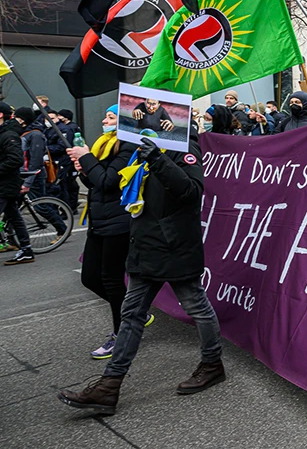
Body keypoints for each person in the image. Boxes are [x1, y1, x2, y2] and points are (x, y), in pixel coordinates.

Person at [58, 134, 224, 414]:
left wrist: (157, 159)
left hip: (173, 245)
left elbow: (191, 191)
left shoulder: (184, 147)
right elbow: (122, 189)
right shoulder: (142, 149)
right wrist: (88, 173)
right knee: (131, 313)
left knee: (196, 305)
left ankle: (212, 364)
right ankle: (109, 386)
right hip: (145, 243)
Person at [68, 105, 151, 359]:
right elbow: (95, 183)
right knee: (90, 278)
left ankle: (121, 334)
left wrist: (86, 158)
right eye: (105, 116)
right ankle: (136, 313)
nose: (104, 120)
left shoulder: (129, 145)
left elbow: (109, 181)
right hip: (99, 220)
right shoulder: (104, 144)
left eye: (110, 116)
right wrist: (85, 169)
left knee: (112, 281)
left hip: (119, 221)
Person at [12, 107, 68, 240]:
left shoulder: (35, 134)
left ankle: (62, 229)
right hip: (23, 174)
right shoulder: (22, 132)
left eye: (16, 117)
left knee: (40, 206)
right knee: (12, 208)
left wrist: (28, 182)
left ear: (23, 119)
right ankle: (11, 239)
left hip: (33, 175)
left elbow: (36, 162)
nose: (14, 119)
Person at [0, 103, 35, 264]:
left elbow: (15, 160)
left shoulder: (9, 135)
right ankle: (26, 250)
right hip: (2, 185)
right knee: (15, 217)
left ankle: (26, 250)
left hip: (2, 186)